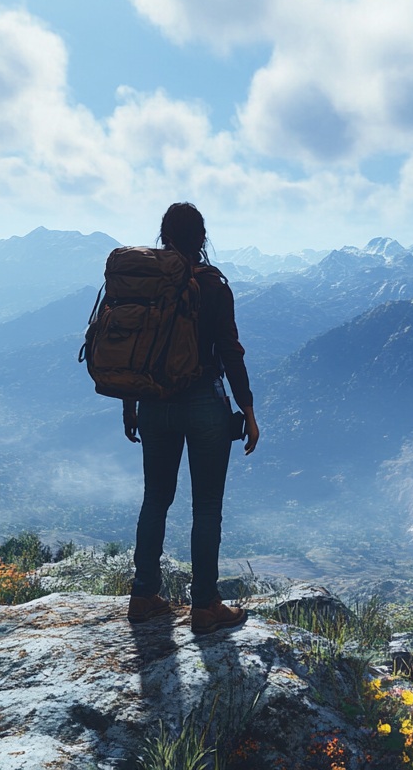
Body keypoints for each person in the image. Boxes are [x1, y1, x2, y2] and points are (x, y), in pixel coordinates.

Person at [124, 202, 261, 634]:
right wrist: (249, 412)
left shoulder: (144, 283)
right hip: (203, 403)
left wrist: (130, 404)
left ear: (164, 237)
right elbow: (230, 352)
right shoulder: (213, 287)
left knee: (155, 499)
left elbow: (132, 348)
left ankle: (144, 594)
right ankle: (205, 605)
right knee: (206, 507)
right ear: (202, 238)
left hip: (152, 404)